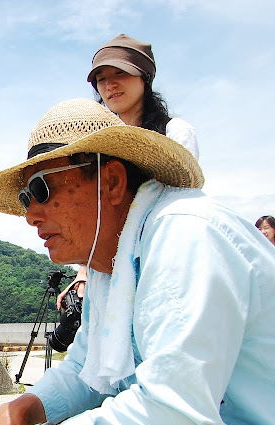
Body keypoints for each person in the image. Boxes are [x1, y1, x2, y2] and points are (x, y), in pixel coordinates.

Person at [0, 98, 275, 425]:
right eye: (25, 198)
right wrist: (21, 409)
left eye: (41, 190)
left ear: (111, 182)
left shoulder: (187, 234)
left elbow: (177, 407)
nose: (30, 215)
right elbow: (83, 368)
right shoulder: (112, 267)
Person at [57, 33, 200, 313]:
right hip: (109, 270)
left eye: (120, 73)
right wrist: (84, 273)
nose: (110, 85)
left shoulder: (176, 133)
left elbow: (179, 208)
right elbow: (94, 213)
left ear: (144, 77)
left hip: (160, 265)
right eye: (101, 78)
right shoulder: (95, 145)